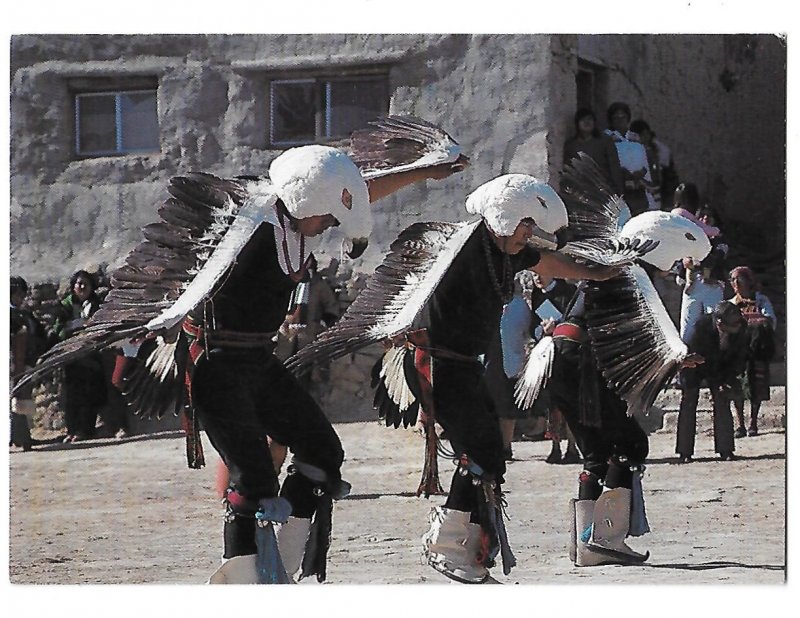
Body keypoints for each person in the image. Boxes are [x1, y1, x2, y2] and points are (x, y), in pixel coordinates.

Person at [676, 301, 749, 463]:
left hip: (722, 366)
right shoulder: (701, 326)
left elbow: (739, 356)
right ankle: (684, 451)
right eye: (734, 323)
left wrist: (728, 380)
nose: (738, 325)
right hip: (695, 364)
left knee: (722, 401)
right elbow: (698, 356)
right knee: (688, 401)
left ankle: (726, 449)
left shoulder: (741, 327)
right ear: (720, 324)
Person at [528, 271, 581, 465]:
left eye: (540, 274)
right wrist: (541, 330)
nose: (537, 278)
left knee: (571, 402)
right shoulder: (536, 294)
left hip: (568, 353)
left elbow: (575, 320)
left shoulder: (568, 292)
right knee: (552, 403)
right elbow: (533, 325)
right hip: (548, 355)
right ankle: (556, 446)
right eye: (533, 275)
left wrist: (557, 326)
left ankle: (573, 447)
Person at [52, 270, 107, 443]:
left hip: (92, 356)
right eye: (78, 284)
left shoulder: (97, 305)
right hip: (71, 357)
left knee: (90, 394)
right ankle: (72, 429)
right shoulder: (65, 306)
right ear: (73, 286)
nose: (82, 287)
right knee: (73, 396)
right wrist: (72, 329)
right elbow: (57, 330)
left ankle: (86, 430)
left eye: (85, 284)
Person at [672, 186, 727, 344]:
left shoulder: (719, 241)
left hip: (712, 285)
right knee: (688, 325)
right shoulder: (687, 238)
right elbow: (680, 259)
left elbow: (715, 258)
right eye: (701, 216)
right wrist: (683, 266)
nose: (705, 219)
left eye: (709, 216)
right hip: (693, 285)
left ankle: (715, 356)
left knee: (716, 324)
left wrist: (696, 261)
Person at [727, 266, 777, 437]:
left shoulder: (761, 301)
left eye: (738, 279)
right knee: (737, 387)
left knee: (756, 386)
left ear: (748, 282)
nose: (735, 283)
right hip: (737, 352)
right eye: (732, 280)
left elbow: (770, 321)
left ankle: (753, 423)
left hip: (757, 351)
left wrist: (749, 324)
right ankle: (739, 425)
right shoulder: (731, 303)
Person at [10, 276, 46, 451]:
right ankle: (19, 438)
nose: (21, 297)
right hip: (14, 363)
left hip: (25, 362)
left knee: (21, 400)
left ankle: (22, 437)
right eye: (17, 294)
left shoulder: (23, 314)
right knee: (15, 400)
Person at [604, 102, 656, 214]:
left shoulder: (635, 137)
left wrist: (642, 172)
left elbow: (644, 161)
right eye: (616, 117)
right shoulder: (607, 137)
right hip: (619, 184)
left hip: (639, 185)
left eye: (623, 116)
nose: (620, 120)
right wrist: (621, 172)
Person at [563, 108, 625, 194]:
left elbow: (614, 167)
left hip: (603, 190)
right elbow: (567, 170)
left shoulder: (605, 142)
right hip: (580, 191)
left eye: (590, 119)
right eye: (583, 120)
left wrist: (618, 190)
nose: (587, 122)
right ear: (577, 123)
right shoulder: (571, 145)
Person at [629, 119, 662, 210]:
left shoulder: (653, 149)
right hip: (641, 189)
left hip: (654, 187)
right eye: (642, 135)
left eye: (647, 134)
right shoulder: (633, 152)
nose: (646, 137)